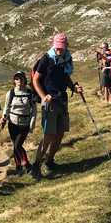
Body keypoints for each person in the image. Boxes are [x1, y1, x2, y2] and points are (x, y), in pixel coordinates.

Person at [31, 32, 83, 180]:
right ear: (54, 45)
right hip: (50, 103)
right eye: (57, 47)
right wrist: (43, 97)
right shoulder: (46, 59)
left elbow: (65, 77)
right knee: (48, 135)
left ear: (66, 46)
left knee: (59, 134)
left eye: (62, 47)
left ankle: (49, 161)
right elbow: (36, 80)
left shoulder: (67, 58)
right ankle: (36, 166)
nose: (59, 50)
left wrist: (74, 88)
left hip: (62, 101)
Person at [0, 71, 37, 175]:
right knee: (16, 145)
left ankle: (26, 164)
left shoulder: (30, 93)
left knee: (17, 145)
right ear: (14, 81)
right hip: (12, 124)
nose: (19, 80)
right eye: (17, 78)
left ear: (25, 80)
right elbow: (6, 107)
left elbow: (34, 110)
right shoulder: (11, 93)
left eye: (21, 78)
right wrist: (4, 117)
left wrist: (32, 123)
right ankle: (18, 166)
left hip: (25, 124)